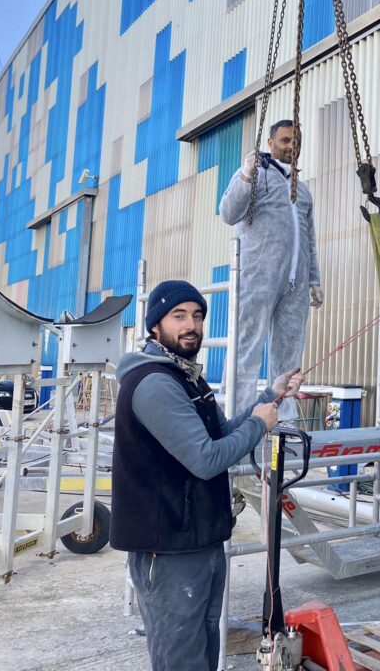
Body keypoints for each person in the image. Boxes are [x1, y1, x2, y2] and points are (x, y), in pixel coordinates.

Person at [111, 280, 303, 671]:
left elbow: (222, 432)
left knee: (204, 653)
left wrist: (270, 396)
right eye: (178, 316)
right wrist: (260, 425)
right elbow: (206, 458)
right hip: (168, 551)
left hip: (200, 540)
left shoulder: (187, 378)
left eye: (197, 316)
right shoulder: (154, 383)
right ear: (155, 326)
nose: (191, 325)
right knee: (181, 660)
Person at [219, 120, 321, 421]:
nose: (291, 146)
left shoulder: (303, 191)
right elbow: (228, 213)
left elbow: (309, 239)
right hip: (258, 277)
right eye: (285, 140)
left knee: (289, 354)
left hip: (295, 283)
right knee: (246, 348)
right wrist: (246, 174)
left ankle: (283, 419)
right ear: (270, 142)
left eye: (296, 141)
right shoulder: (256, 176)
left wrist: (314, 278)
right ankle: (235, 418)